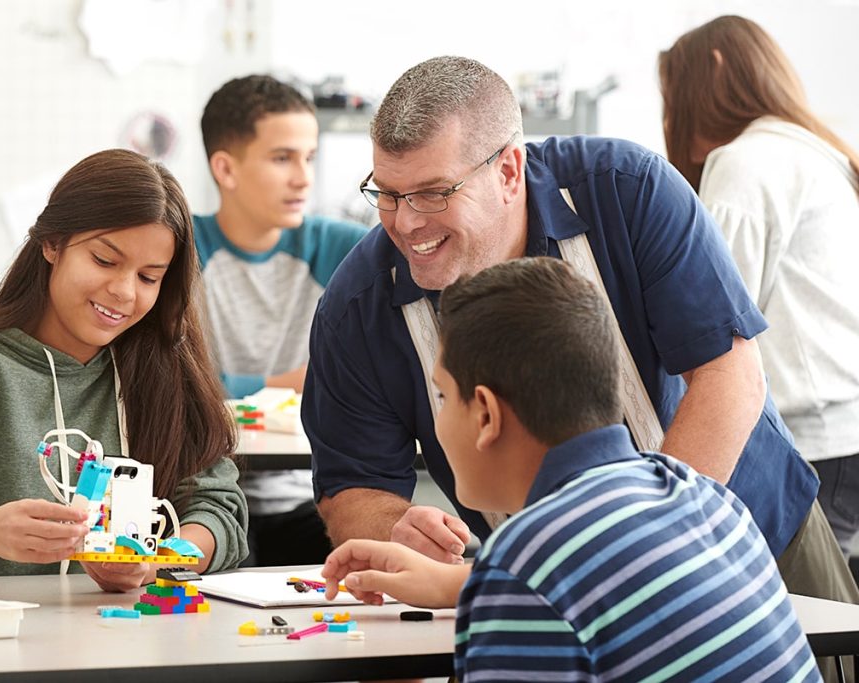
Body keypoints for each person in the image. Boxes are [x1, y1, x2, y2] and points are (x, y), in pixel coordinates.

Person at [303, 56, 856, 605]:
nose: (405, 222)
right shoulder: (357, 308)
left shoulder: (628, 192)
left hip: (752, 527)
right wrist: (394, 527)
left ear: (509, 171)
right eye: (388, 194)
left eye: (432, 193)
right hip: (549, 589)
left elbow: (728, 373)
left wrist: (635, 551)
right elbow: (353, 483)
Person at [322, 257, 819, 682]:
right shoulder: (707, 498)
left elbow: (545, 584)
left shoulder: (526, 566)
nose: (438, 418)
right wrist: (463, 585)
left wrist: (498, 586)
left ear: (487, 416)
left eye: (443, 397)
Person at [0, 149, 249, 591]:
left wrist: (155, 561)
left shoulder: (168, 365)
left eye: (149, 277)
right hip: (1, 642)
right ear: (52, 243)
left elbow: (220, 514)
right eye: (105, 261)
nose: (124, 292)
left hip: (133, 639)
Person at [660, 15, 859, 582]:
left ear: (716, 71)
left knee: (797, 617)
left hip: (812, 436)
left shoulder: (746, 161)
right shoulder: (817, 152)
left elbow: (709, 311)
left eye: (675, 92)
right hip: (848, 425)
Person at [194, 75, 368, 565]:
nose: (303, 178)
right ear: (225, 169)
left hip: (311, 500)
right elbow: (178, 389)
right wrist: (288, 383)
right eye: (282, 158)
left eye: (309, 158)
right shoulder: (176, 251)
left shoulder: (347, 248)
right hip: (202, 504)